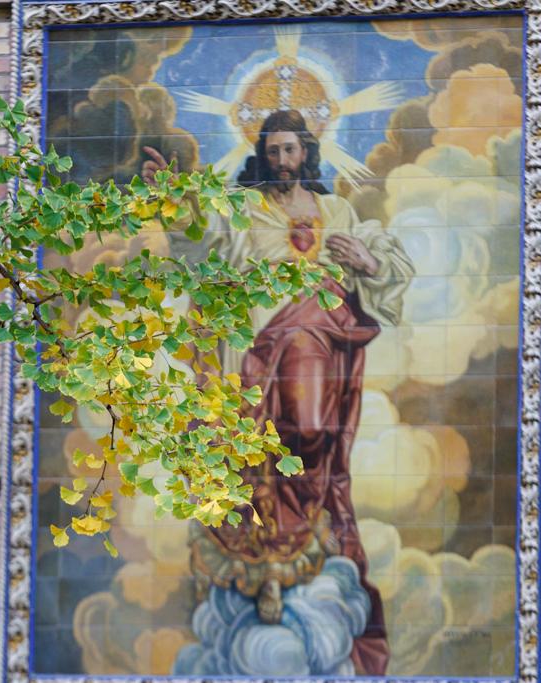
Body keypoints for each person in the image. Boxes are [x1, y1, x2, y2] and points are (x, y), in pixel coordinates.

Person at [142, 109, 413, 676]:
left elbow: (383, 266)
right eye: (274, 152)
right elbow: (206, 243)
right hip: (258, 343)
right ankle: (269, 564)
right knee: (259, 458)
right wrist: (179, 200)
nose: (284, 161)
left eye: (292, 151)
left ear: (307, 152)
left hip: (319, 336)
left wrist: (364, 262)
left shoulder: (336, 210)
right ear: (261, 155)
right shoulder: (244, 209)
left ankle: (292, 556)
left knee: (311, 432)